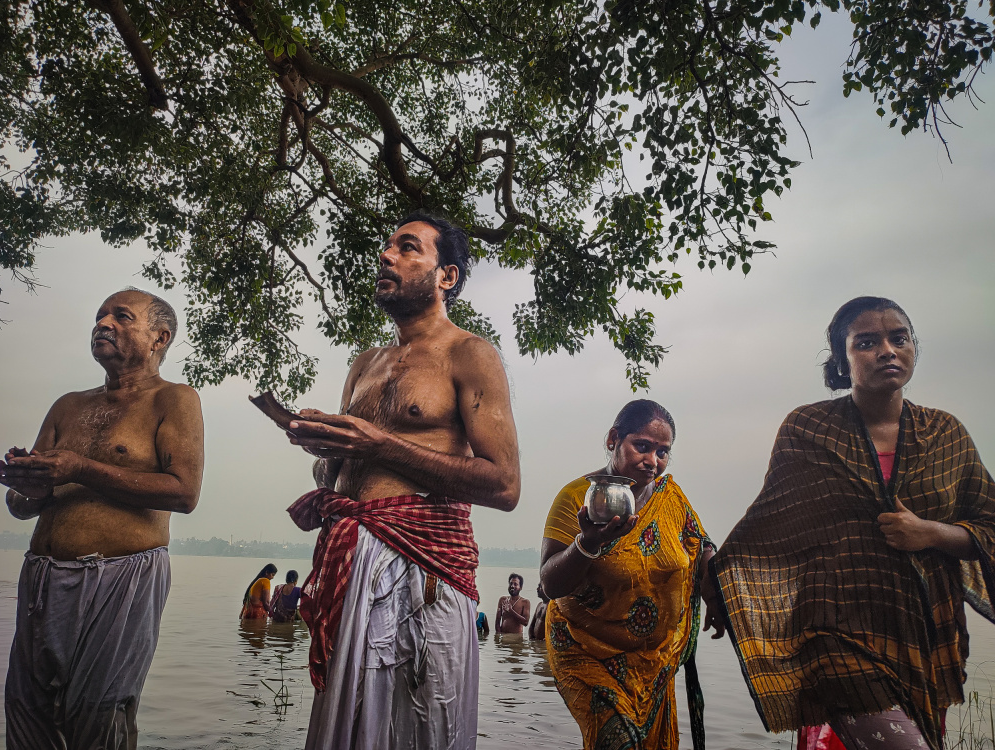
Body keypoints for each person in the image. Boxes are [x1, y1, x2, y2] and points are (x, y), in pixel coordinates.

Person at [282, 212, 521, 749]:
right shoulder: (365, 362)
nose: (387, 255)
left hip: (424, 568)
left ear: (446, 277)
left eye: (408, 248)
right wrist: (325, 457)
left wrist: (378, 443)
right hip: (352, 556)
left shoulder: (471, 354)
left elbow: (503, 486)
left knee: (421, 731)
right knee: (346, 730)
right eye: (388, 246)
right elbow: (348, 472)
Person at [714, 297, 995, 750]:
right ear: (842, 363)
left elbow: (989, 527)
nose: (886, 350)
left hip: (923, 637)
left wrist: (931, 532)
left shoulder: (947, 435)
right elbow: (769, 523)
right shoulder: (808, 428)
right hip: (834, 631)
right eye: (866, 343)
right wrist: (717, 582)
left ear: (913, 349)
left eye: (898, 338)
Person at [0, 288, 204, 750]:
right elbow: (23, 504)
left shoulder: (173, 399)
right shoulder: (68, 405)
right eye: (100, 316)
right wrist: (27, 489)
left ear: (159, 338)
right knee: (26, 709)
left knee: (97, 712)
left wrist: (81, 469)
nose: (103, 323)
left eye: (121, 316)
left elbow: (184, 492)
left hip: (121, 577)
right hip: (42, 574)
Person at [539, 399, 725, 750]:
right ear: (613, 439)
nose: (653, 460)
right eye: (642, 446)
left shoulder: (671, 500)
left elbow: (700, 548)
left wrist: (715, 599)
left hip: (652, 664)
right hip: (584, 651)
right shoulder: (577, 498)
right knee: (618, 743)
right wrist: (587, 544)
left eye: (663, 452)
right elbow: (550, 584)